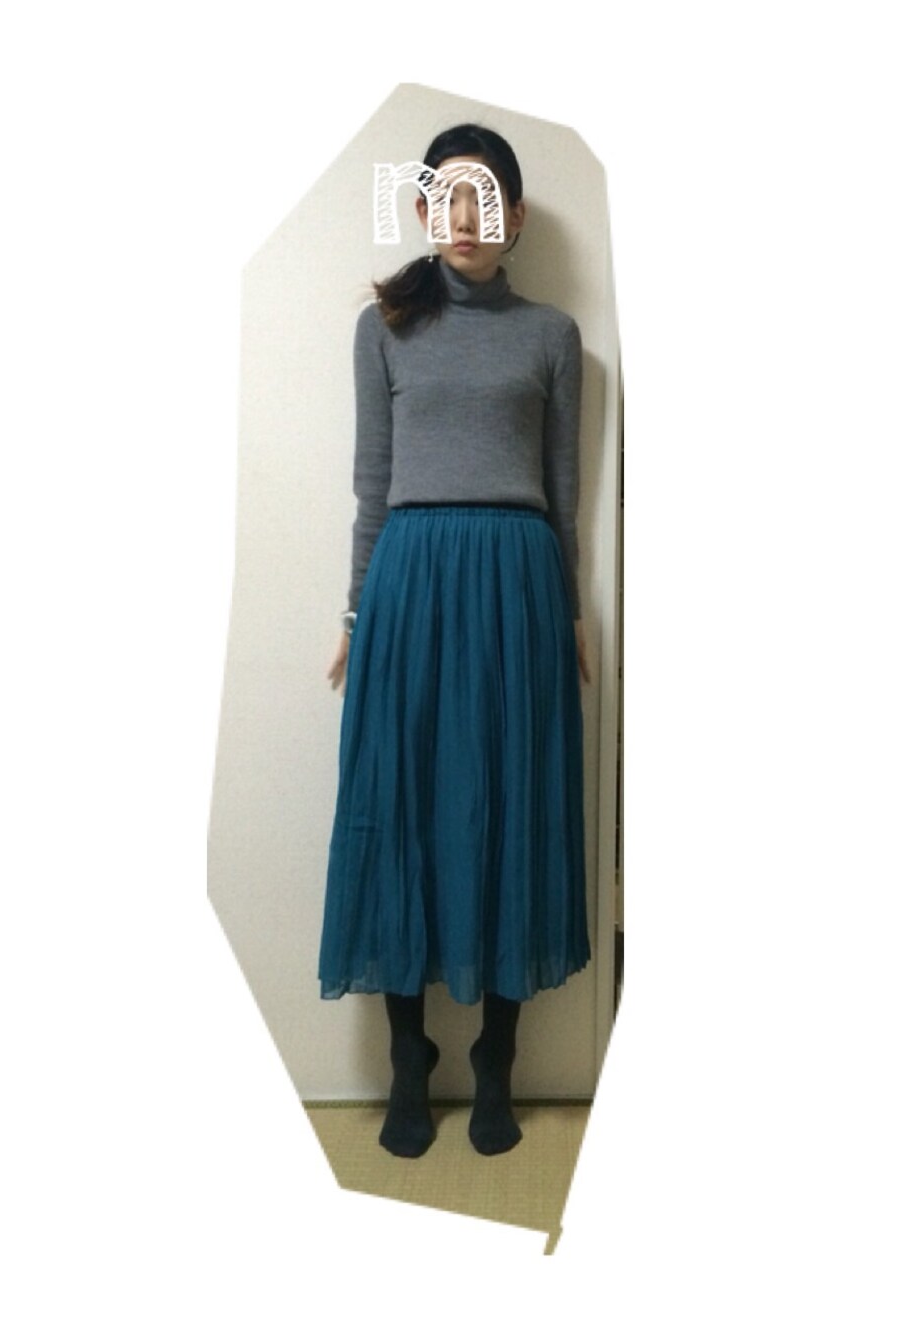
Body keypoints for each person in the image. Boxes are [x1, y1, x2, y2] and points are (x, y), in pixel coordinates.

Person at [318, 124, 591, 1158]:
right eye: (445, 197)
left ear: (513, 216)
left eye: (483, 198)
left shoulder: (553, 335)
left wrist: (570, 614)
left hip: (517, 585)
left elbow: (563, 494)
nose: (463, 218)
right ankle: (409, 1057)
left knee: (510, 804)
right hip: (411, 582)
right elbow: (371, 486)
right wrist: (355, 615)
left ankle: (495, 1061)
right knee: (399, 804)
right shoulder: (383, 328)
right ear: (424, 209)